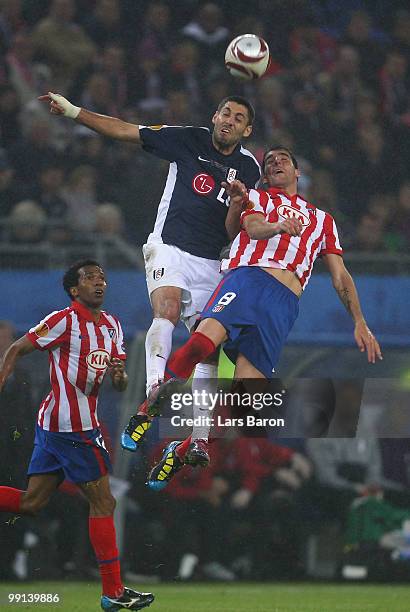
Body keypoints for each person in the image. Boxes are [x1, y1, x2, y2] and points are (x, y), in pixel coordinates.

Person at [143, 145, 382, 490]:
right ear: (266, 174)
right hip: (249, 278)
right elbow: (252, 227)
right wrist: (279, 226)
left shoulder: (323, 221)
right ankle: (147, 406)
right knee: (200, 343)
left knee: (244, 407)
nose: (277, 162)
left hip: (284, 304)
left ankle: (180, 450)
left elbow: (340, 275)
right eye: (270, 161)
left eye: (284, 158)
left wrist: (359, 320)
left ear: (298, 173)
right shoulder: (255, 197)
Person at [39, 90, 261, 457]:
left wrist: (238, 203)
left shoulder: (250, 169)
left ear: (247, 129)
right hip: (169, 245)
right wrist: (73, 111)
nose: (229, 121)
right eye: (225, 113)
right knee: (168, 311)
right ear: (215, 114)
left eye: (238, 118)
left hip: (211, 261)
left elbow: (235, 229)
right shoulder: (189, 138)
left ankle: (199, 437)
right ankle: (156, 391)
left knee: (207, 348)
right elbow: (124, 130)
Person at [0, 260, 154, 611]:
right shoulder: (62, 320)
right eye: (90, 278)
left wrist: (120, 375)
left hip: (57, 424)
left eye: (102, 276)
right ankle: (113, 593)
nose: (99, 282)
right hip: (73, 427)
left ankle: (113, 593)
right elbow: (15, 349)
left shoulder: (113, 325)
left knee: (31, 502)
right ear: (74, 289)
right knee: (104, 502)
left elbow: (119, 384)